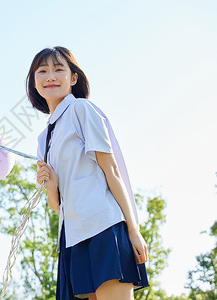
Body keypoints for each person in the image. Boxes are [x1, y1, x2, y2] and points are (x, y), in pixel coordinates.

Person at [28, 47, 150, 300]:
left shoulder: (82, 110)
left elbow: (112, 170)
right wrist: (52, 187)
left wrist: (133, 229)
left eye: (58, 69)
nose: (50, 76)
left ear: (73, 78)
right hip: (72, 240)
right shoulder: (43, 139)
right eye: (42, 71)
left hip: (104, 227)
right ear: (35, 82)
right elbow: (58, 206)